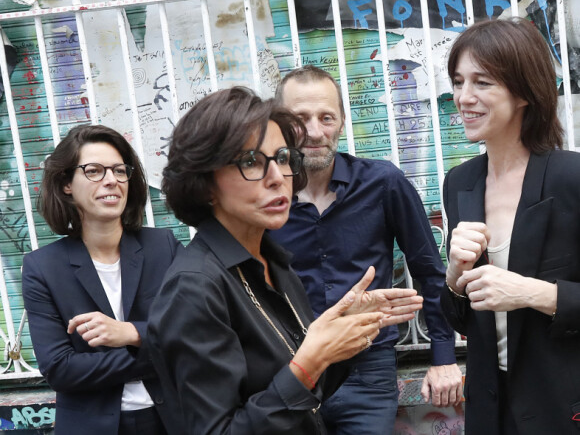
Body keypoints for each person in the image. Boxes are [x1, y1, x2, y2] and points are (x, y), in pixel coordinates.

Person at [147, 86, 423, 434]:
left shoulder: (273, 262)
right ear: (205, 184)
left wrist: (344, 332)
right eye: (250, 162)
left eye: (281, 158)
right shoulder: (194, 288)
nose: (278, 177)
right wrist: (308, 364)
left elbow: (308, 393)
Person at [270, 64, 463, 434]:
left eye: (326, 117)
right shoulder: (265, 196)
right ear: (278, 124)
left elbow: (428, 270)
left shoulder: (383, 182)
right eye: (299, 118)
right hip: (287, 370)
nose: (314, 132)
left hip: (369, 372)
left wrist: (442, 357)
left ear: (342, 121)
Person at [440, 16, 580, 434]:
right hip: (491, 409)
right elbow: (463, 319)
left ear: (523, 91)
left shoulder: (570, 178)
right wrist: (453, 277)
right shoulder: (460, 183)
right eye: (458, 81)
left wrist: (532, 293)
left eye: (482, 83)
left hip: (563, 406)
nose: (464, 97)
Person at [22, 124, 184, 435]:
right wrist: (157, 352)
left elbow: (197, 333)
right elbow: (60, 370)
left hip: (172, 421)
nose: (111, 180)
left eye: (120, 170)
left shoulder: (163, 247)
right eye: (94, 170)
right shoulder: (42, 267)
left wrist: (130, 333)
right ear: (67, 183)